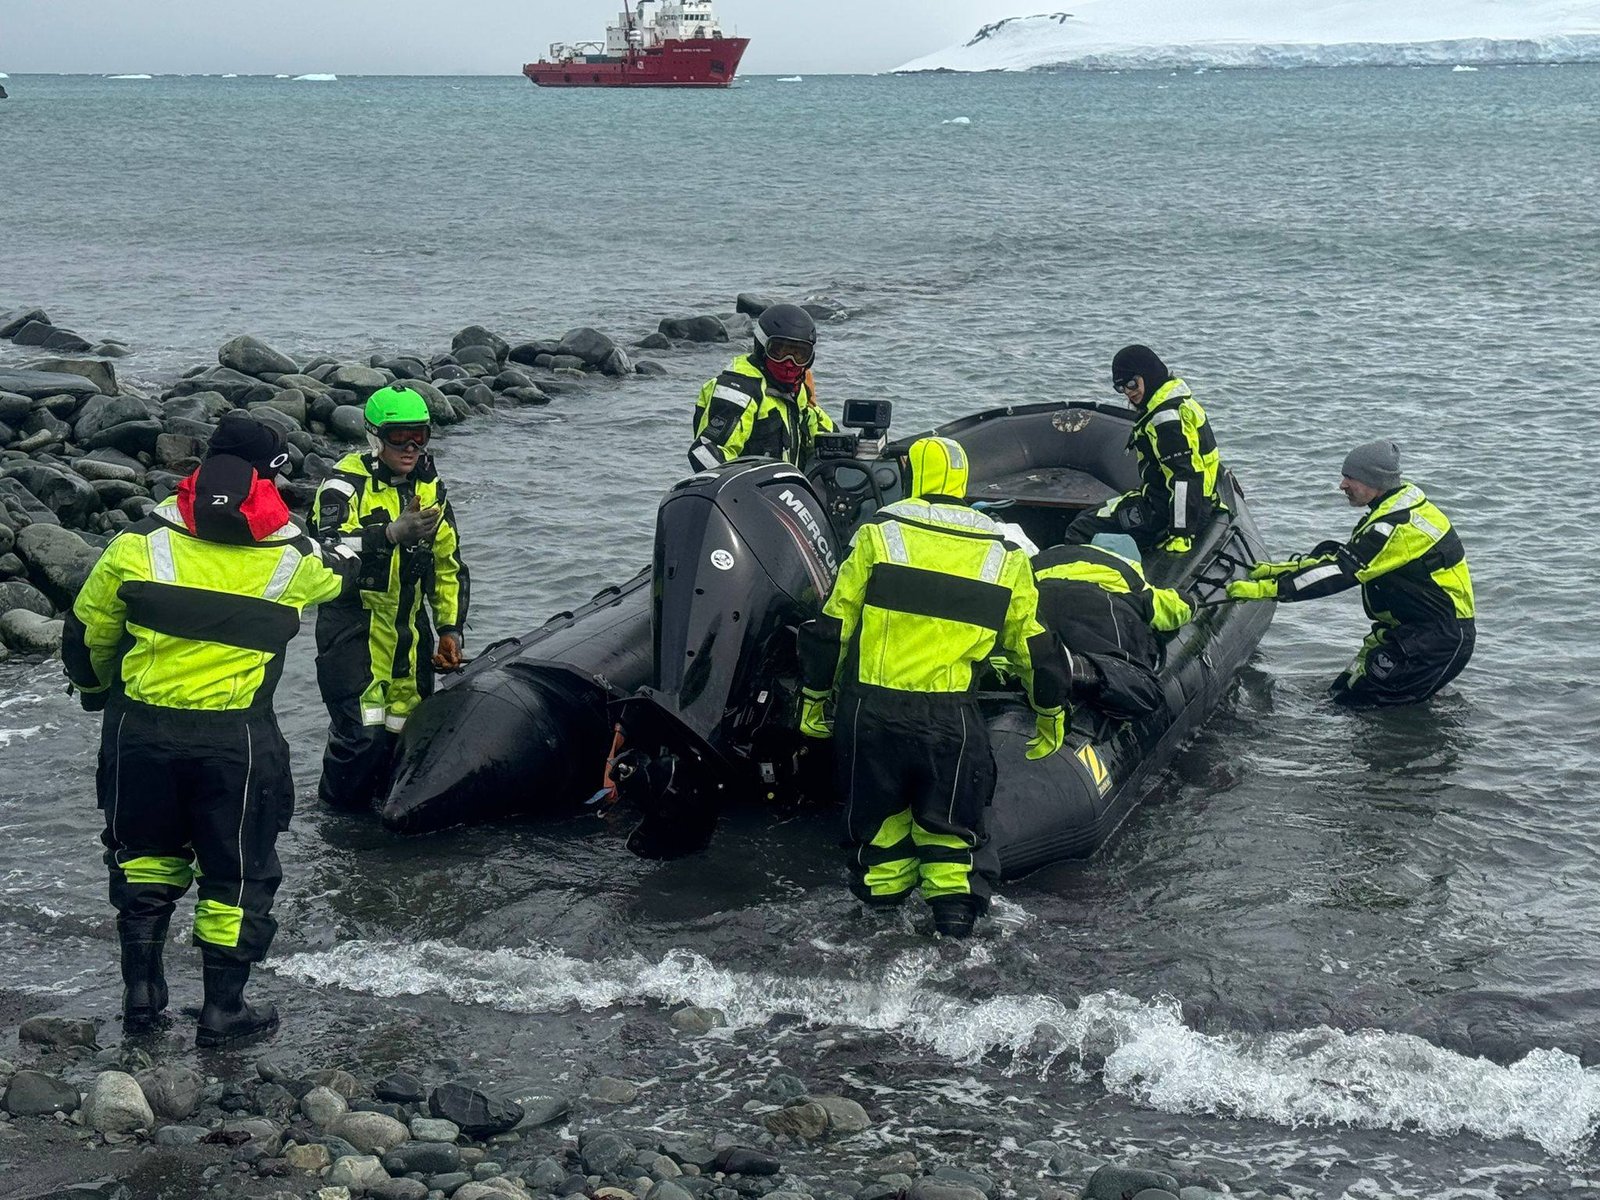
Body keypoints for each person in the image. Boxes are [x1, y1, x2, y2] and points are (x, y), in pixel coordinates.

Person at [62, 411, 358, 1046]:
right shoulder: (293, 558)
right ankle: (224, 1012)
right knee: (238, 874)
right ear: (267, 484)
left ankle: (142, 1001)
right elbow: (339, 576)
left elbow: (87, 633)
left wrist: (94, 694)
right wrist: (371, 539)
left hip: (138, 731)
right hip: (235, 742)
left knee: (142, 858)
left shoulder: (140, 542)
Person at [797, 437, 1069, 938]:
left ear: (911, 472)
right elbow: (1035, 648)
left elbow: (832, 626)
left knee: (879, 838)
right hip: (951, 721)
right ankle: (954, 941)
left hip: (871, 713)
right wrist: (1049, 712)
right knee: (951, 839)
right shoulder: (1003, 550)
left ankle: (875, 941)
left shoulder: (881, 531)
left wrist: (815, 700)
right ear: (965, 482)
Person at [311, 385, 469, 811]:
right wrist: (388, 535)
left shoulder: (430, 487)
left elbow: (447, 565)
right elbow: (323, 550)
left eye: (420, 435)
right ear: (375, 437)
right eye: (399, 437)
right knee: (360, 737)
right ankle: (335, 823)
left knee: (402, 735)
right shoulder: (342, 487)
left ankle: (384, 830)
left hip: (408, 635)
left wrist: (450, 628)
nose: (411, 447)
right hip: (353, 631)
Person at [1226, 439, 1475, 706]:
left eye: (1351, 478)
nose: (1342, 485)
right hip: (1407, 631)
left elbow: (1341, 572)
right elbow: (1344, 557)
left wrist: (1270, 590)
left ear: (1374, 481)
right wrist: (1278, 571)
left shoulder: (1396, 527)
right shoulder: (1394, 509)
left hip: (1435, 639)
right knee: (1341, 694)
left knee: (1361, 707)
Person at [1064, 345, 1223, 554]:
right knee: (1089, 515)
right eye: (1121, 388)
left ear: (1148, 374)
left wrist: (1181, 533)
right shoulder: (1179, 400)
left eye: (1131, 383)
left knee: (1080, 529)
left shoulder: (1165, 420)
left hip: (1163, 512)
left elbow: (1184, 476)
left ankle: (1093, 579)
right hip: (1190, 503)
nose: (1129, 393)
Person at [1032, 539, 1194, 721]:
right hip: (1096, 609)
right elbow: (1174, 609)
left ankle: (1028, 669)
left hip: (1038, 603)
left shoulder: (1045, 558)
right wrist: (1191, 604)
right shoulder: (1127, 573)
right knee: (1147, 690)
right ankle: (1074, 667)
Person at [688, 302, 835, 471]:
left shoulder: (796, 389)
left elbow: (820, 428)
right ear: (762, 348)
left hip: (787, 491)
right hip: (744, 494)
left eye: (799, 355)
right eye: (779, 351)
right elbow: (704, 452)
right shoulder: (739, 392)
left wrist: (857, 447)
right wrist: (745, 489)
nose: (789, 363)